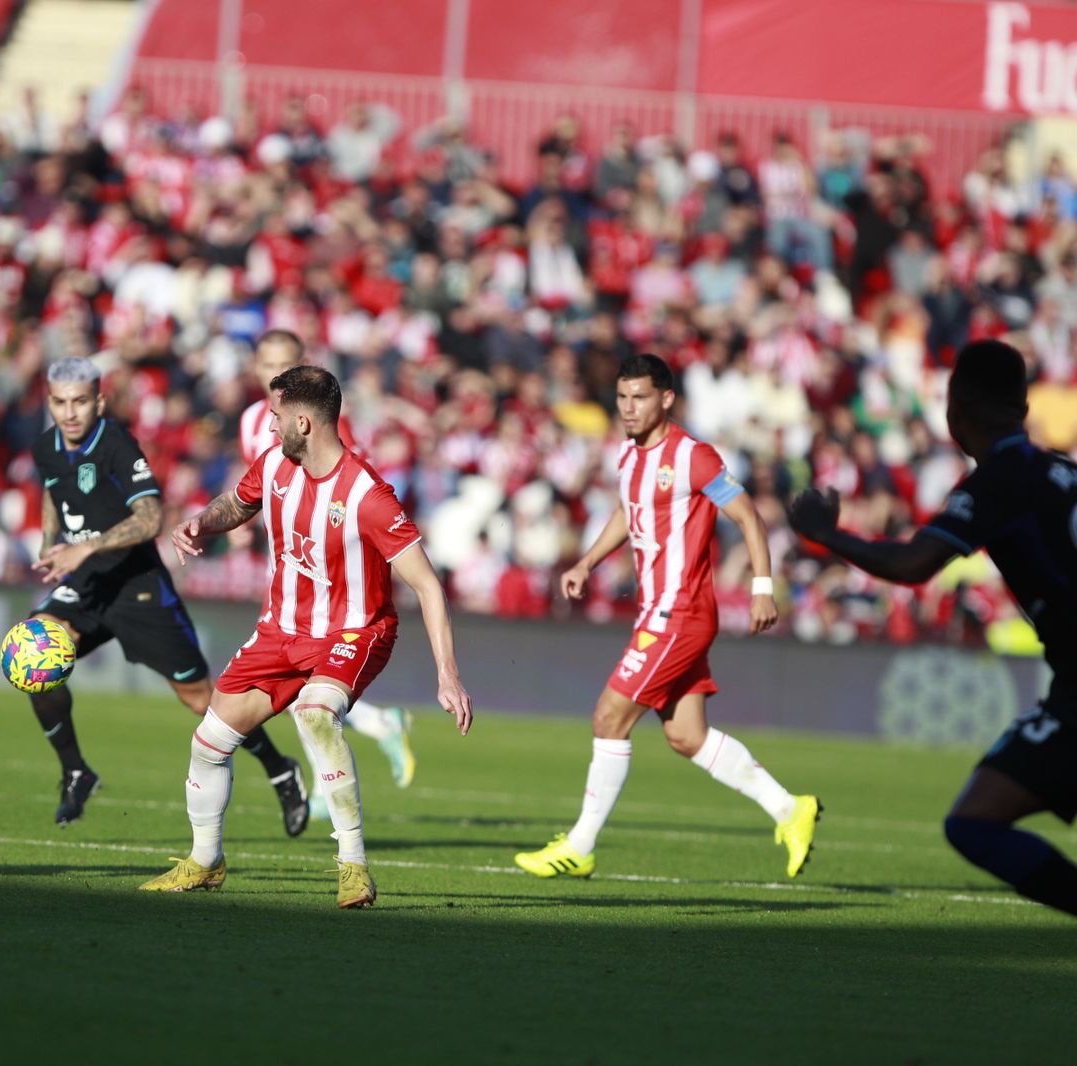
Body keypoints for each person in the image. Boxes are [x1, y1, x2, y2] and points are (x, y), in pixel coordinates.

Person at [142, 365, 474, 907]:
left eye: (274, 418)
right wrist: (200, 522)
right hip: (281, 632)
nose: (268, 428)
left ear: (302, 421)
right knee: (208, 743)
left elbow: (429, 586)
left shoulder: (367, 495)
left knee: (315, 714)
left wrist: (449, 675)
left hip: (354, 630)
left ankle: (353, 867)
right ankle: (205, 862)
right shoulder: (275, 463)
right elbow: (238, 503)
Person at [789, 339, 1077, 917]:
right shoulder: (1063, 471)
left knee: (974, 822)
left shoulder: (999, 481)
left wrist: (829, 534)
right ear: (1023, 408)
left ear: (954, 413)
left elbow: (911, 564)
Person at [515, 354, 820, 881]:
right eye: (622, 398)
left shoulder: (693, 457)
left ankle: (581, 845)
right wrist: (587, 561)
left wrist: (761, 588)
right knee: (686, 736)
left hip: (679, 613)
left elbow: (748, 516)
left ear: (667, 399)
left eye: (640, 398)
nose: (629, 409)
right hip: (656, 612)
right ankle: (791, 809)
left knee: (609, 716)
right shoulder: (630, 456)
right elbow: (626, 514)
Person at [28, 356, 309, 833]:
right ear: (50, 403)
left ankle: (280, 769)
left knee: (204, 701)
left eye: (80, 401)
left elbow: (150, 517)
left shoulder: (116, 444)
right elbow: (54, 492)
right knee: (36, 656)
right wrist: (50, 542)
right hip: (86, 585)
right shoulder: (46, 447)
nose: (70, 412)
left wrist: (86, 547)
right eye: (60, 402)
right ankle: (76, 770)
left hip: (138, 589)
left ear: (98, 400)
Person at [237, 329, 418, 810]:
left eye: (282, 365)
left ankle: (328, 782)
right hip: (287, 560)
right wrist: (239, 522)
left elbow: (355, 479)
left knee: (311, 671)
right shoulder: (252, 421)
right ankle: (376, 727)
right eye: (263, 365)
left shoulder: (318, 421)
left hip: (332, 562)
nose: (270, 376)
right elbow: (256, 486)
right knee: (298, 672)